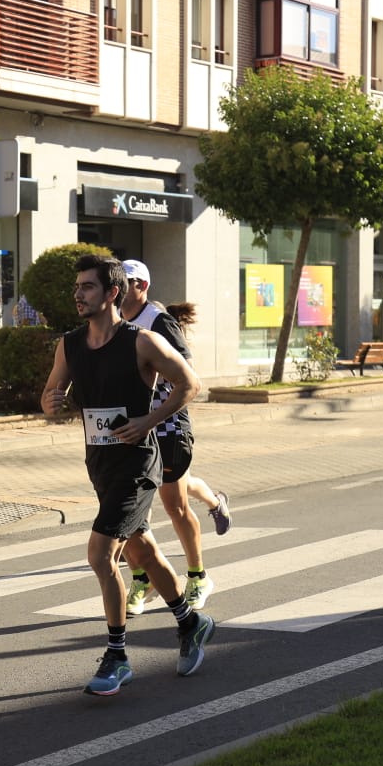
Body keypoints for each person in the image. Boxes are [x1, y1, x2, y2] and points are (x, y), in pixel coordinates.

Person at [40, 255, 216, 696]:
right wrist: (51, 404)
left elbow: (190, 383)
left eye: (88, 287)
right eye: (77, 287)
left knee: (102, 555)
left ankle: (116, 656)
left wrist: (149, 420)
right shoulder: (70, 344)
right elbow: (50, 392)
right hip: (99, 463)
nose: (78, 294)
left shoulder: (142, 342)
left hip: (138, 465)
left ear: (113, 293)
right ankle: (190, 622)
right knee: (146, 552)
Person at [117, 259, 232, 617]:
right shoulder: (114, 322)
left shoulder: (157, 321)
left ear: (143, 287)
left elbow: (187, 375)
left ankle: (198, 576)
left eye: (129, 281)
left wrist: (150, 393)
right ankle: (143, 576)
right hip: (127, 428)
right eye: (118, 281)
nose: (122, 287)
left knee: (174, 502)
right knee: (125, 510)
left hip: (166, 426)